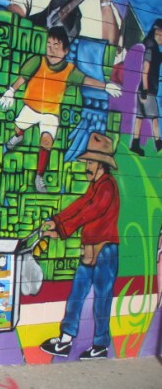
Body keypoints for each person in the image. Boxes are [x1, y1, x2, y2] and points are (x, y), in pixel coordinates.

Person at [0, 27, 121, 193]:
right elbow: (22, 78)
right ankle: (18, 137)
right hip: (31, 107)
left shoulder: (69, 71)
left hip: (51, 113)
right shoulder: (38, 61)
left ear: (65, 51)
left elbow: (85, 80)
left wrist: (105, 86)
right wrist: (11, 90)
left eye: (56, 46)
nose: (51, 50)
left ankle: (39, 176)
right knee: (19, 127)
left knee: (47, 141)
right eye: (49, 45)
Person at [39, 132, 119, 360]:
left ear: (102, 164)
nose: (87, 166)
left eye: (91, 162)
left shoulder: (107, 187)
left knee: (102, 299)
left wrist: (63, 229)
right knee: (76, 294)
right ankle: (65, 340)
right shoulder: (95, 186)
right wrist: (56, 221)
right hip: (89, 254)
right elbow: (81, 204)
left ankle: (101, 345)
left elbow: (90, 212)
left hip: (105, 253)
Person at [130, 19, 162, 156]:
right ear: (158, 31)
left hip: (143, 89)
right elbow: (146, 68)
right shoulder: (151, 48)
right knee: (154, 118)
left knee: (139, 117)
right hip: (147, 90)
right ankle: (158, 143)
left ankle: (134, 144)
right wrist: (145, 88)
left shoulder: (151, 47)